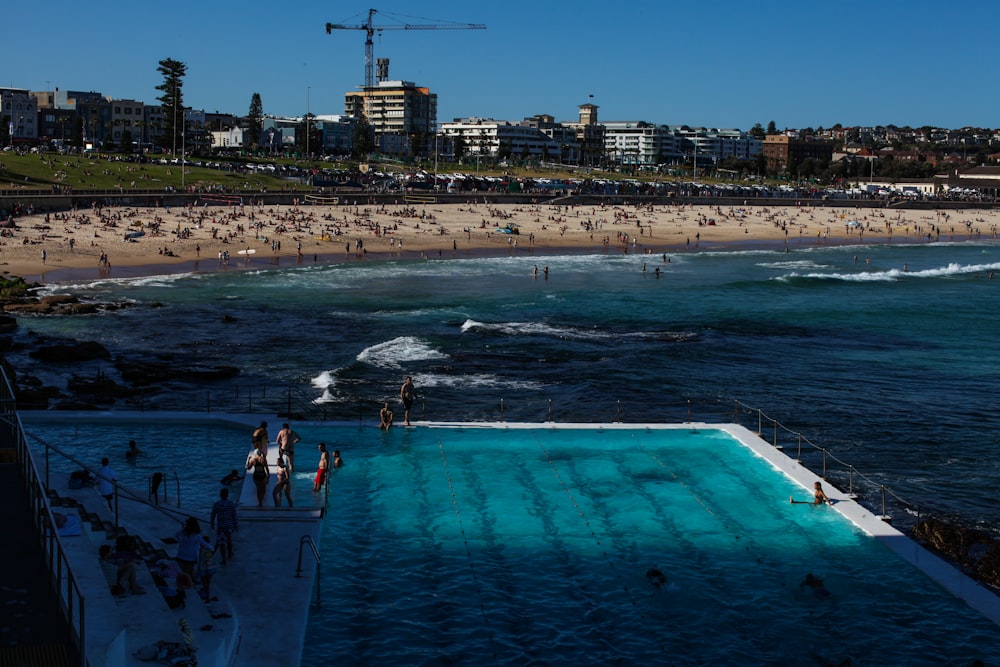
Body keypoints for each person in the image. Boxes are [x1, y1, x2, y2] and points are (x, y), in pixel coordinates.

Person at [210, 488, 238, 564]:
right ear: (227, 495)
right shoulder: (231, 504)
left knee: (222, 542)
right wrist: (236, 526)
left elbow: (213, 515)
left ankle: (224, 559)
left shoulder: (217, 504)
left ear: (220, 495)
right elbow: (234, 516)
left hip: (221, 527)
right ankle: (230, 553)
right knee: (229, 540)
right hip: (229, 526)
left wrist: (212, 523)